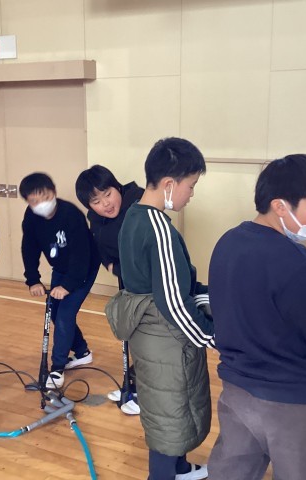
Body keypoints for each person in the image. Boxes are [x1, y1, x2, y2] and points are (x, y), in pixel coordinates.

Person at [206, 154, 306, 480]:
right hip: (292, 401)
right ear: (280, 206)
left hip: (237, 390)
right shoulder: (296, 263)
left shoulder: (228, 243)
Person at [105, 137, 214, 480]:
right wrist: (211, 336)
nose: (191, 194)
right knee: (171, 413)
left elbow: (166, 286)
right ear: (169, 184)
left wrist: (209, 296)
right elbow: (173, 302)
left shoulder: (133, 216)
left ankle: (179, 468)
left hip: (149, 335)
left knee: (168, 408)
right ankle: (164, 474)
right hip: (167, 338)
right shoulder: (158, 229)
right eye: (190, 186)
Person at [20, 172, 99, 390]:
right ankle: (82, 352)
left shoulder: (71, 214)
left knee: (64, 315)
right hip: (61, 268)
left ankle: (57, 368)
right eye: (34, 201)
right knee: (55, 313)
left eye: (45, 197)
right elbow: (29, 248)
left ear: (53, 192)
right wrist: (33, 280)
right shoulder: (31, 217)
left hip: (84, 268)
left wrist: (68, 286)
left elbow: (81, 255)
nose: (41, 204)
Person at [75, 164, 144, 414]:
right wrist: (113, 266)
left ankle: (145, 395)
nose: (105, 203)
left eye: (108, 194)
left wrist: (124, 268)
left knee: (148, 337)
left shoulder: (139, 204)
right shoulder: (96, 219)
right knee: (134, 334)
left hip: (149, 283)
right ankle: (133, 386)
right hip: (128, 281)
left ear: (118, 187)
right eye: (96, 201)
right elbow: (101, 248)